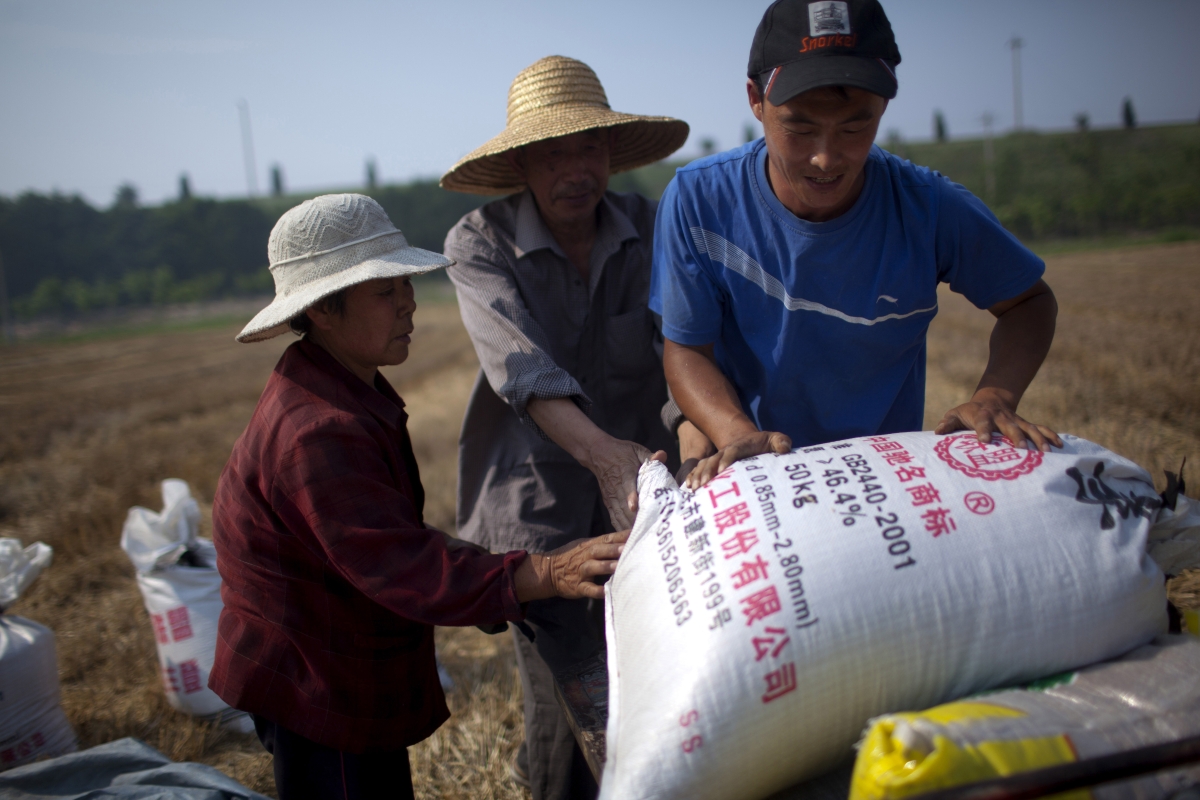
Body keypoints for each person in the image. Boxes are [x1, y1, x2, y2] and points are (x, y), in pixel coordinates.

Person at [208, 194, 629, 800]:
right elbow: (402, 565)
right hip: (316, 676)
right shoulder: (318, 430)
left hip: (335, 657)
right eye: (385, 290)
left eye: (404, 282)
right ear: (325, 310)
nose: (408, 302)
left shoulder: (338, 386)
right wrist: (542, 573)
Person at [653, 0, 1063, 490]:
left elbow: (1029, 302)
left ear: (884, 107)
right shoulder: (700, 201)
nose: (826, 157)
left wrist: (995, 397)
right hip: (759, 473)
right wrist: (740, 436)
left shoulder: (927, 207)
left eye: (855, 126)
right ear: (755, 101)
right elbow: (687, 349)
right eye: (800, 128)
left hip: (882, 479)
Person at [439, 56, 704, 799]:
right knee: (569, 698)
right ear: (522, 163)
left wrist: (698, 443)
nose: (575, 169)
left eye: (589, 148)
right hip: (535, 509)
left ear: (610, 155)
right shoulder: (479, 243)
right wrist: (605, 458)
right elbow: (520, 370)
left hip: (647, 494)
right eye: (553, 152)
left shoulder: (651, 226)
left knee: (657, 675)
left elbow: (681, 345)